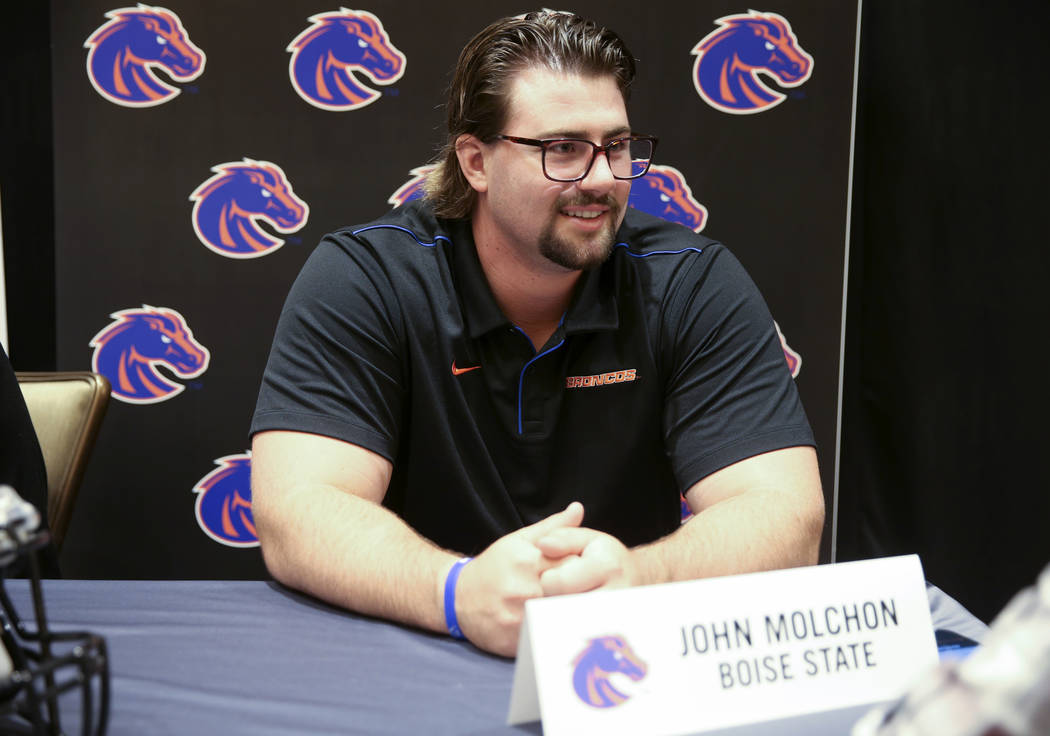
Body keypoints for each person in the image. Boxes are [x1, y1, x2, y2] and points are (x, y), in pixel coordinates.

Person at [250, 10, 824, 657]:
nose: (604, 177)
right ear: (476, 161)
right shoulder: (367, 277)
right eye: (563, 149)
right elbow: (298, 509)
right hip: (406, 650)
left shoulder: (691, 282)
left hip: (623, 663)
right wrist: (457, 591)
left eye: (616, 145)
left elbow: (785, 514)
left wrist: (639, 579)